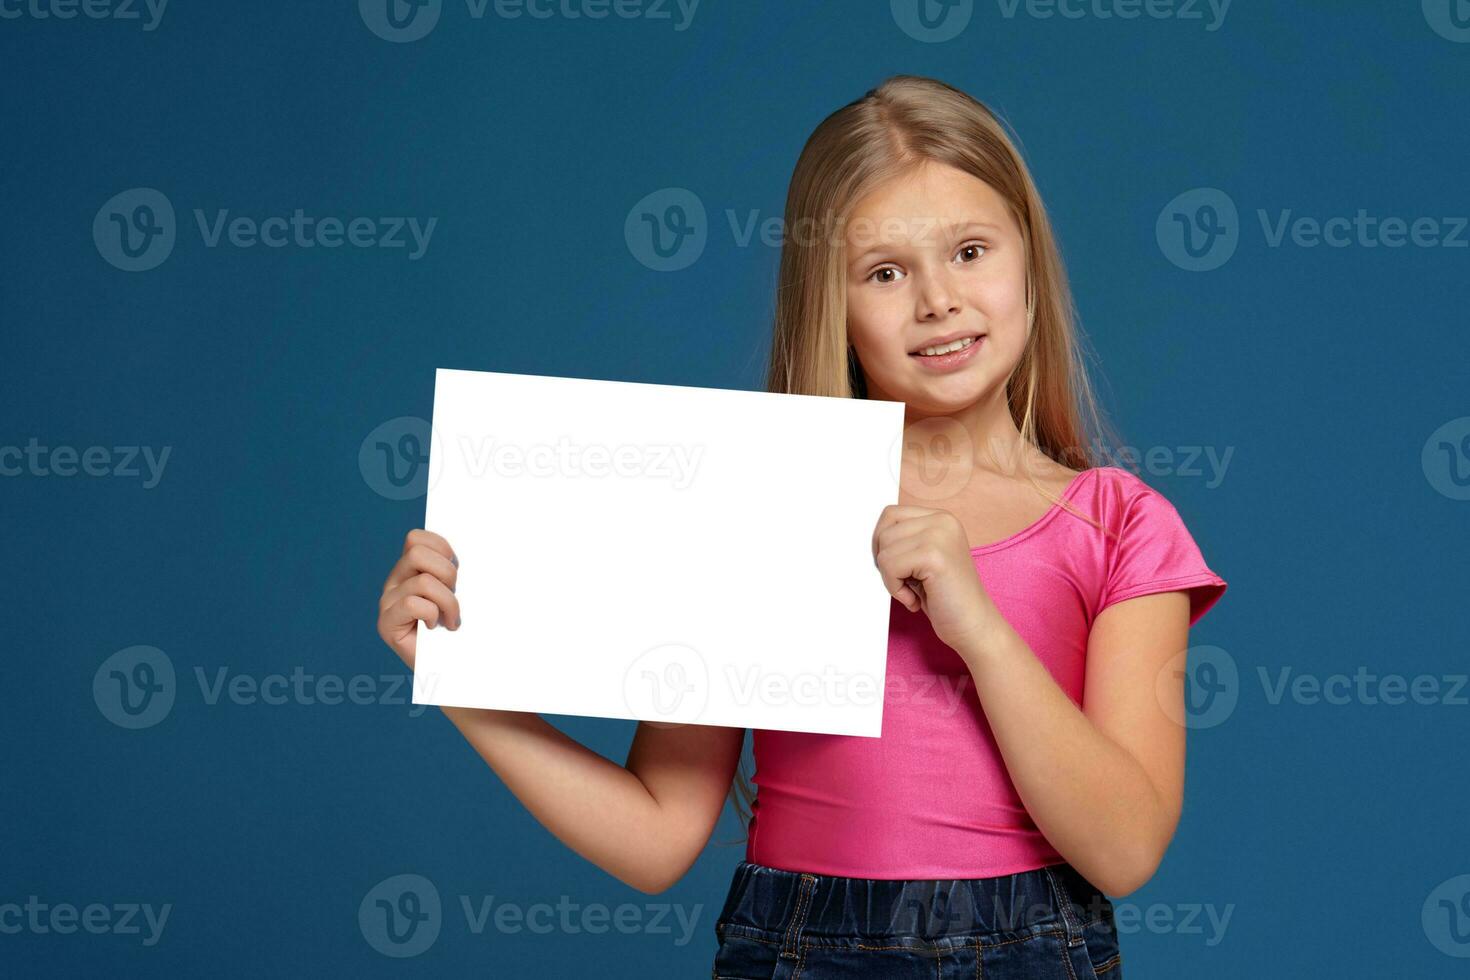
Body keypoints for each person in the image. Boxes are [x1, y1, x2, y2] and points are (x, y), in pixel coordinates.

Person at [376, 73, 1227, 979]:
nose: (937, 299)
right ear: (834, 301)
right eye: (886, 272)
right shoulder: (762, 504)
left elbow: (1125, 849)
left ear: (1029, 256)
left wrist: (977, 626)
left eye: (971, 250)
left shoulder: (1119, 524)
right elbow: (657, 834)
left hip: (1035, 947)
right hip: (796, 946)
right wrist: (459, 677)